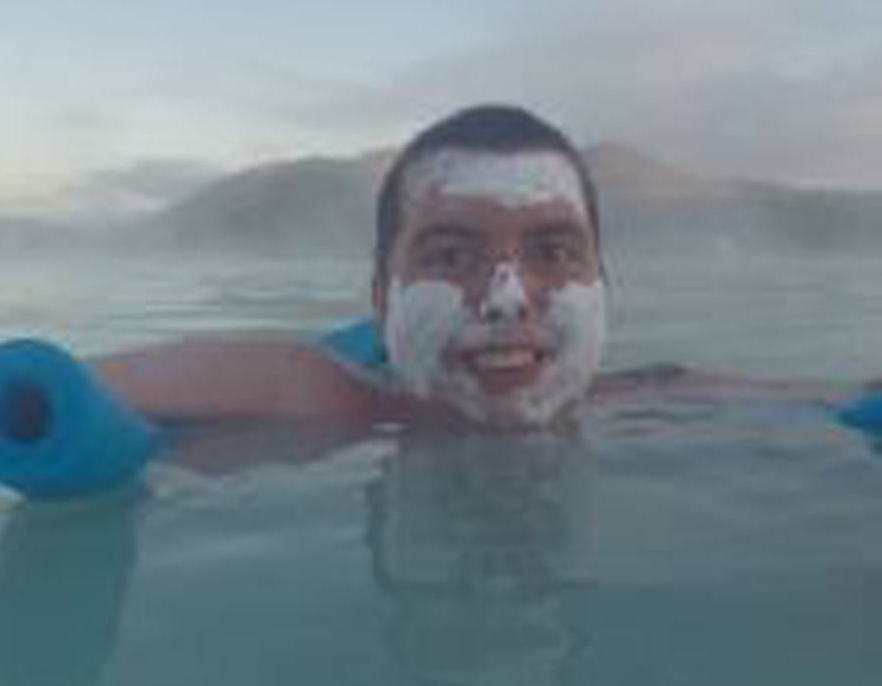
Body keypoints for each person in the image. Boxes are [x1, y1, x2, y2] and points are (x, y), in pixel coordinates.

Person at [89, 103, 855, 431]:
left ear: (606, 286)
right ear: (381, 298)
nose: (505, 300)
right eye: (451, 254)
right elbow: (14, 403)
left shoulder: (666, 405)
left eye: (553, 251)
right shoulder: (319, 392)